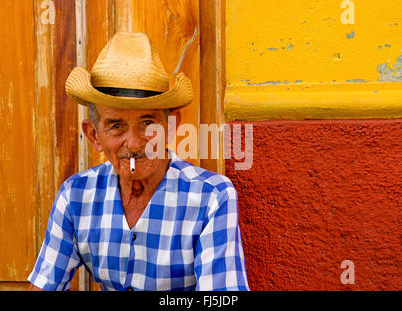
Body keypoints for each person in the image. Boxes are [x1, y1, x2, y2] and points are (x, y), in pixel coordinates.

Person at [28, 31, 249, 291]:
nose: (133, 144)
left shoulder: (211, 198)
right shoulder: (75, 196)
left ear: (170, 126)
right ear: (94, 135)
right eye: (116, 126)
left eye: (147, 123)